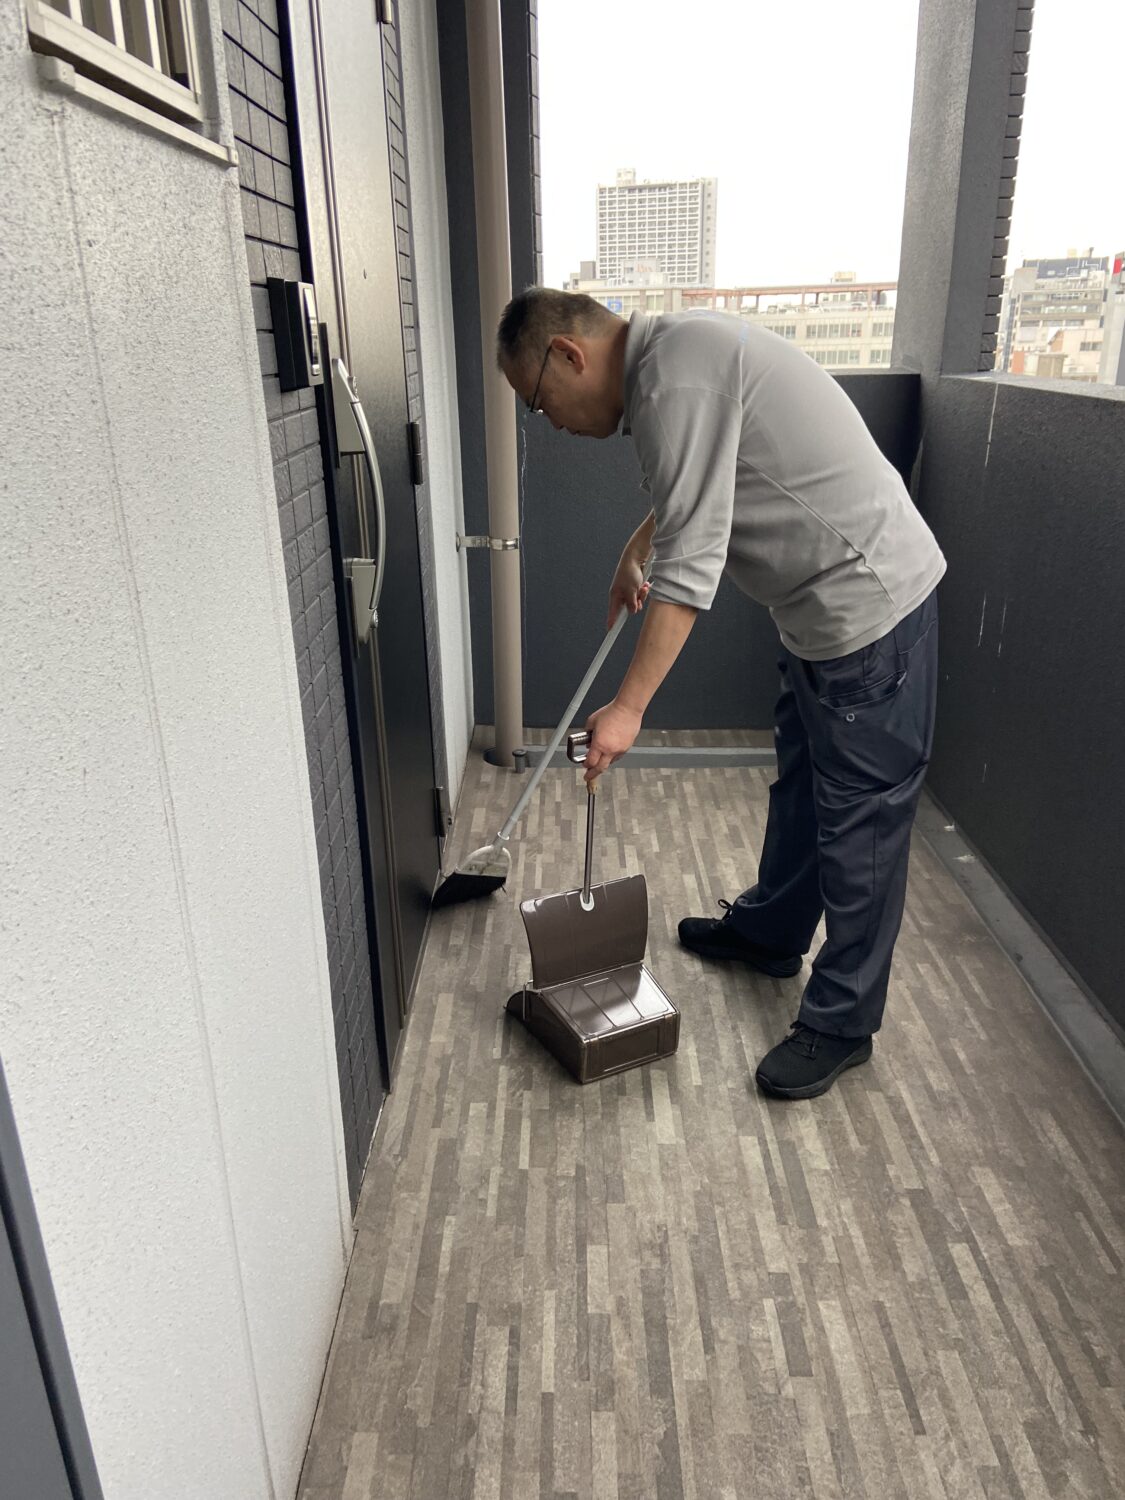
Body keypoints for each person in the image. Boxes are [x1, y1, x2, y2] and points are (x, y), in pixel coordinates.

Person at [496, 288, 945, 1100]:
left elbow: (693, 567)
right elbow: (699, 489)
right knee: (803, 789)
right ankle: (772, 932)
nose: (548, 421)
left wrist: (627, 709)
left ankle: (843, 1022)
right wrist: (636, 546)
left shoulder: (674, 378)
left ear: (568, 354)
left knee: (862, 828)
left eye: (537, 400)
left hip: (869, 611)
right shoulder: (669, 361)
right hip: (818, 613)